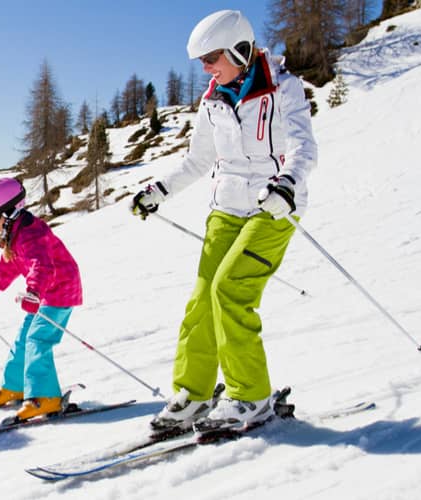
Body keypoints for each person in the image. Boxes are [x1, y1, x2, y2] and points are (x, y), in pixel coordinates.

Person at [132, 10, 318, 433]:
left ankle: (251, 396)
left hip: (273, 206)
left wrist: (287, 184)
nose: (206, 68)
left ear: (240, 48)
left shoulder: (283, 88)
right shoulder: (213, 99)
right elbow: (198, 160)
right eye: (201, 61)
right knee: (201, 300)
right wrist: (158, 190)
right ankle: (193, 394)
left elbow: (304, 147)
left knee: (229, 291)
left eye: (212, 57)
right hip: (226, 209)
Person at [0, 178, 82, 422]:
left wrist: (34, 292)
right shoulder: (14, 237)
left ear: (10, 210)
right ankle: (15, 387)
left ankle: (45, 398)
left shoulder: (33, 234)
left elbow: (42, 265)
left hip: (60, 290)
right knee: (24, 339)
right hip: (42, 295)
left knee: (38, 339)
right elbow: (0, 275)